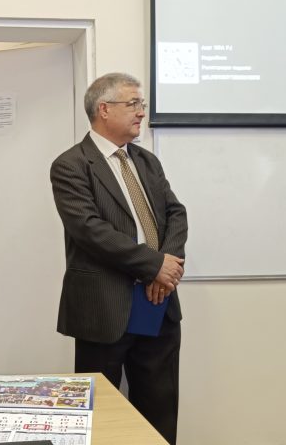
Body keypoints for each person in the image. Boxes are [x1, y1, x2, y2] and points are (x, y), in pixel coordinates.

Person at [49, 72, 187, 444]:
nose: (142, 112)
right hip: (104, 308)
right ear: (104, 109)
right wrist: (153, 265)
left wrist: (167, 266)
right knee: (99, 418)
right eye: (133, 104)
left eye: (142, 104)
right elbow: (89, 229)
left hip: (159, 303)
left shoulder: (147, 161)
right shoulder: (71, 165)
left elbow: (176, 214)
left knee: (159, 409)